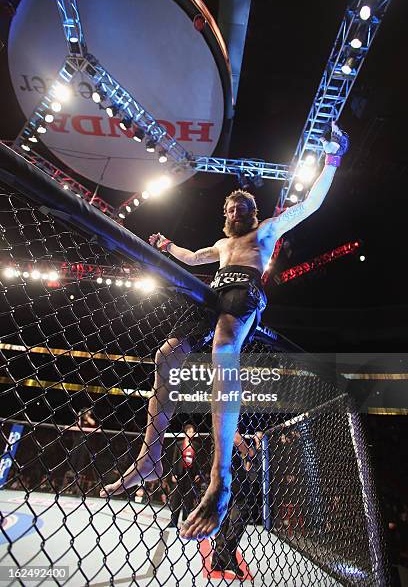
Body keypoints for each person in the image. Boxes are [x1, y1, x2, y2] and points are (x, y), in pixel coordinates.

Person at [100, 121, 349, 541]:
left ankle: (221, 476)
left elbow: (311, 205)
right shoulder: (220, 244)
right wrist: (167, 247)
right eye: (231, 209)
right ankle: (150, 456)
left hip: (243, 294)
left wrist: (333, 160)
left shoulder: (266, 230)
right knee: (166, 355)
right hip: (210, 296)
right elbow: (194, 256)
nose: (236, 212)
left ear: (253, 212)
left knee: (222, 355)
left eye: (243, 208)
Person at [211, 431, 255, 578]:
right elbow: (236, 438)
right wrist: (247, 451)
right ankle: (228, 549)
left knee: (224, 510)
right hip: (232, 469)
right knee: (244, 503)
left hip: (220, 467)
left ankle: (218, 559)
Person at [166, 423, 201, 528]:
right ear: (185, 433)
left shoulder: (197, 445)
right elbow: (174, 459)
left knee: (188, 498)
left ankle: (186, 521)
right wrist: (173, 473)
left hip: (191, 473)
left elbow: (199, 461)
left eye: (192, 431)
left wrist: (197, 473)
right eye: (189, 431)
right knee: (176, 498)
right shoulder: (179, 444)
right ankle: (174, 521)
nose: (191, 433)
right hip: (180, 473)